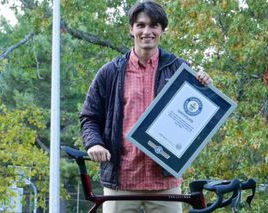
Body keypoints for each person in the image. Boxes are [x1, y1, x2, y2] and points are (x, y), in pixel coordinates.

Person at [79, 1, 212, 212]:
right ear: (131, 29)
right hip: (121, 181)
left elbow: (199, 111)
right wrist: (94, 143)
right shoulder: (110, 72)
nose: (147, 31)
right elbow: (89, 117)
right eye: (140, 25)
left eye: (154, 25)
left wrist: (205, 85)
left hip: (165, 182)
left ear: (162, 30)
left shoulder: (178, 68)